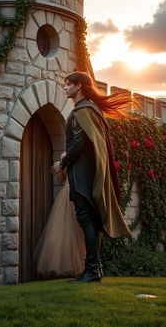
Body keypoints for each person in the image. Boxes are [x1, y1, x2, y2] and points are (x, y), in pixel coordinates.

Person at [51, 71, 136, 283]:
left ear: (79, 86)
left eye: (68, 84)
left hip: (82, 176)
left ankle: (92, 271)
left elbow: (79, 144)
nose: (65, 88)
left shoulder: (84, 110)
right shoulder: (85, 110)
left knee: (86, 220)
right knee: (88, 221)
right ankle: (94, 270)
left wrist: (62, 162)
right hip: (84, 175)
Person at [35, 161, 86, 278]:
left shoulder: (76, 154)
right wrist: (62, 167)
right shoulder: (64, 156)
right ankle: (66, 268)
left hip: (77, 194)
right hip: (66, 195)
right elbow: (60, 180)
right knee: (63, 233)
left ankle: (81, 267)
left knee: (77, 232)